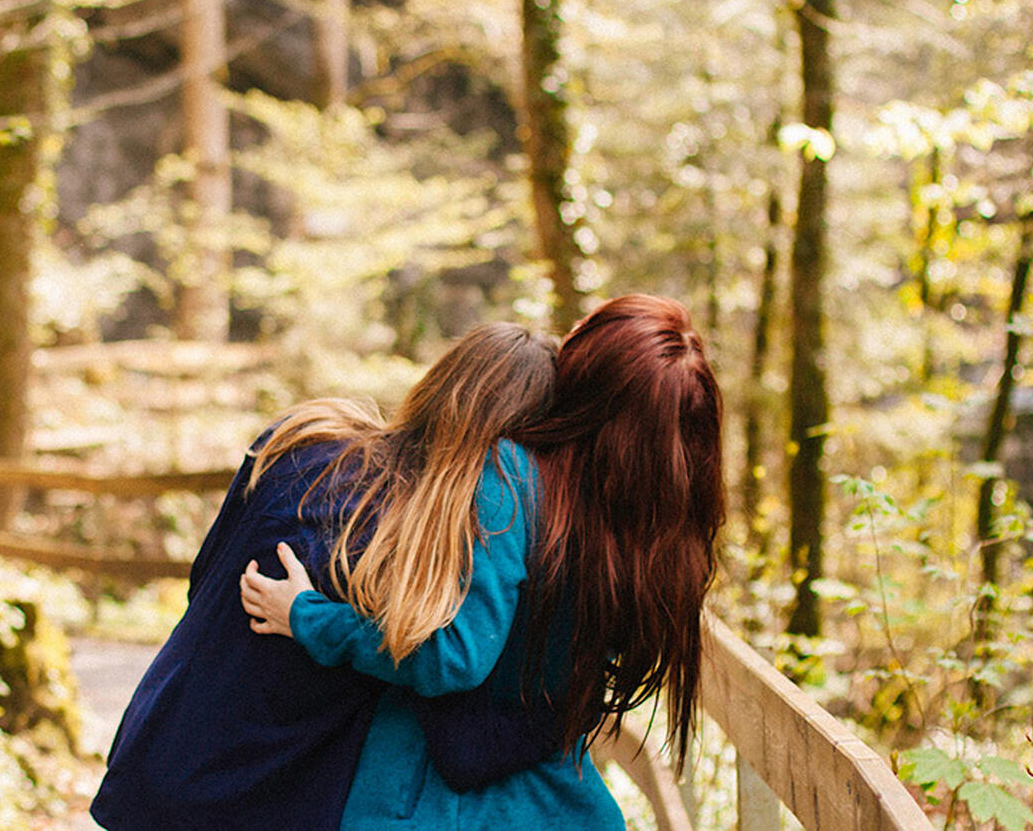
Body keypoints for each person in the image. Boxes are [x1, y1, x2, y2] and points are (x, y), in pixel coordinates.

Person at [241, 294, 726, 828]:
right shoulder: (655, 540)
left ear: (590, 380)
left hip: (436, 787)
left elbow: (452, 657)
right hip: (549, 788)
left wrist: (308, 617)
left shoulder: (515, 477)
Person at [90, 322, 557, 831]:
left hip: (168, 730)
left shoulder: (302, 435)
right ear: (521, 441)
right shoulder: (426, 541)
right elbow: (441, 662)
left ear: (439, 381)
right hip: (264, 784)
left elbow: (207, 573)